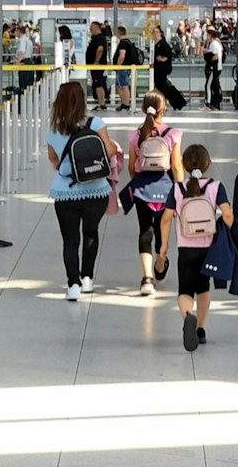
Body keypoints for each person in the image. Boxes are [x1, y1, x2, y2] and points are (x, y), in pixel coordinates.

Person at [44, 80, 121, 302]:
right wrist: (114, 147)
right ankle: (87, 277)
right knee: (91, 233)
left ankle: (73, 285)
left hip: (65, 191)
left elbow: (54, 160)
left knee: (70, 241)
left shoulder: (55, 128)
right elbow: (107, 150)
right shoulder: (96, 123)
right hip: (96, 189)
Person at [166, 143, 234, 351]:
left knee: (185, 290)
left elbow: (166, 218)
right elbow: (228, 215)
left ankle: (188, 316)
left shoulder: (178, 189)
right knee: (203, 287)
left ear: (184, 165)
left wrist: (162, 247)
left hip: (185, 248)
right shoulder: (215, 187)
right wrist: (227, 229)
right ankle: (201, 329)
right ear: (208, 164)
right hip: (208, 247)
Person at [123, 92, 182, 297]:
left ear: (143, 109)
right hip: (166, 188)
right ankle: (161, 261)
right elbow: (176, 165)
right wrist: (180, 189)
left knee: (145, 231)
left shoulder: (136, 135)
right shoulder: (173, 134)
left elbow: (132, 166)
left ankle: (147, 278)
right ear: (163, 110)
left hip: (143, 189)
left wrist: (137, 181)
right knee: (162, 229)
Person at [150, 25, 188, 111]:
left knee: (164, 88)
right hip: (158, 69)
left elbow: (167, 55)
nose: (155, 34)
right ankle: (164, 103)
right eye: (154, 32)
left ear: (160, 33)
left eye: (157, 32)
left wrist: (162, 59)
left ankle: (176, 102)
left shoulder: (163, 44)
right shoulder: (156, 44)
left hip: (162, 69)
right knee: (162, 87)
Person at [85, 22, 111, 110]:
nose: (90, 29)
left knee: (98, 84)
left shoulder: (99, 38)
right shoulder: (96, 38)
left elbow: (100, 49)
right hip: (95, 65)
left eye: (91, 27)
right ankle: (101, 103)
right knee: (97, 84)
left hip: (97, 65)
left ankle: (102, 103)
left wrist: (96, 61)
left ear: (96, 27)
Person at [112, 33, 140, 110]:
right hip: (125, 68)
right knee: (120, 86)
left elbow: (122, 56)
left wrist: (118, 66)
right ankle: (124, 103)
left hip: (122, 68)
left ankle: (126, 104)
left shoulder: (123, 43)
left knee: (124, 86)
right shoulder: (128, 42)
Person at [201, 25, 224, 110]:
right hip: (217, 67)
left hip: (214, 68)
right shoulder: (215, 43)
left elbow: (216, 56)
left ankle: (209, 103)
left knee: (208, 85)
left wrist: (210, 60)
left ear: (210, 35)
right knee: (214, 85)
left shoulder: (214, 44)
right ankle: (215, 103)